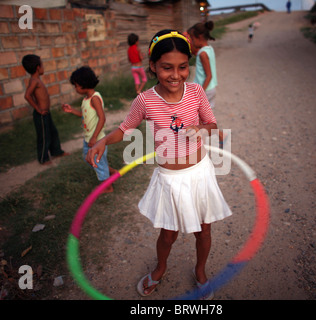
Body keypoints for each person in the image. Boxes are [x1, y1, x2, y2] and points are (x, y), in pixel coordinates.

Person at [86, 30, 232, 300]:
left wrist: (202, 128)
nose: (175, 75)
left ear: (189, 66)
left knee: (204, 230)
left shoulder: (197, 92)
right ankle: (160, 267)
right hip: (170, 179)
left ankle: (200, 270)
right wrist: (104, 140)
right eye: (167, 68)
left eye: (182, 67)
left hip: (199, 174)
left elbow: (212, 126)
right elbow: (124, 129)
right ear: (152, 66)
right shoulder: (145, 100)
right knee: (168, 234)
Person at [61, 66, 116, 192]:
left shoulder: (95, 98)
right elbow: (85, 115)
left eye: (76, 85)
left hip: (96, 140)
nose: (75, 88)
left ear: (83, 84)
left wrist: (94, 137)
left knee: (97, 163)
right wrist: (72, 111)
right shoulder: (86, 99)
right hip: (89, 139)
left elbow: (102, 118)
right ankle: (110, 171)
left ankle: (108, 186)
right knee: (88, 159)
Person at [22, 54, 67, 165]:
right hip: (41, 114)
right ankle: (43, 158)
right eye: (42, 65)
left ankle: (56, 152)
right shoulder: (34, 81)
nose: (43, 67)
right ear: (38, 67)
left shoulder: (37, 80)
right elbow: (27, 95)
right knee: (44, 136)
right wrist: (38, 108)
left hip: (46, 113)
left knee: (53, 132)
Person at [187, 21, 226, 146]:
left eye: (192, 39)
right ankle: (220, 136)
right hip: (210, 89)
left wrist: (200, 92)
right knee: (204, 119)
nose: (191, 42)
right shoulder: (209, 49)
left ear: (198, 37)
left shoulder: (202, 53)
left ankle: (198, 143)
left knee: (197, 118)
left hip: (205, 90)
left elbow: (209, 75)